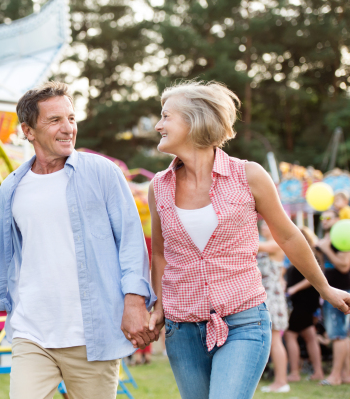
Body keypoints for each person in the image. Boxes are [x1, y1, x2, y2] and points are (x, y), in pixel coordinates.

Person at [146, 80, 350, 399]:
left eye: (165, 116)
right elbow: (160, 254)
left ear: (194, 119)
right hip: (181, 328)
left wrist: (325, 287)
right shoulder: (159, 186)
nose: (158, 125)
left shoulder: (248, 175)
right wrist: (158, 306)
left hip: (243, 321)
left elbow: (288, 235)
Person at [0, 81, 156, 399]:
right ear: (29, 130)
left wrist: (135, 303)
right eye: (55, 121)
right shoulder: (12, 187)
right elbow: (0, 255)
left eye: (71, 119)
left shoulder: (103, 173)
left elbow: (131, 243)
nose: (68, 129)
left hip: (92, 335)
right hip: (31, 332)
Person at [285, 227, 324, 383]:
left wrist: (295, 288)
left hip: (304, 300)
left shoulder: (309, 254)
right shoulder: (301, 253)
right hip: (303, 300)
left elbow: (313, 276)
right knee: (310, 335)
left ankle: (294, 372)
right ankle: (319, 372)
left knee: (290, 334)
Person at [316, 209, 350, 386]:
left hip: (342, 292)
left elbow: (344, 265)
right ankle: (345, 375)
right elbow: (323, 266)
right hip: (331, 291)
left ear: (338, 218)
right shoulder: (326, 240)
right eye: (322, 217)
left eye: (329, 217)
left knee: (338, 335)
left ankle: (335, 376)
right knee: (341, 335)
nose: (324, 220)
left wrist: (326, 248)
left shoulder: (343, 236)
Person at [257, 222, 290, 393]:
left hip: (272, 296)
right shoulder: (268, 244)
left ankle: (281, 381)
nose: (263, 227)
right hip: (266, 294)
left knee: (275, 340)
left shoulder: (276, 244)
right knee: (272, 340)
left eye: (267, 225)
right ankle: (279, 380)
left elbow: (254, 246)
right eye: (262, 225)